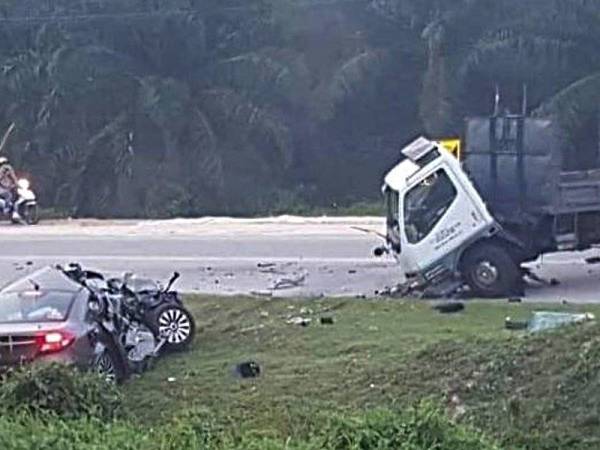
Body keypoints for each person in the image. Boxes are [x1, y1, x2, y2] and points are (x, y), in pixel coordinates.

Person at [0, 156, 21, 221]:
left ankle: (15, 212)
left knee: (17, 195)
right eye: (3, 164)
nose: (5, 165)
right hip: (2, 188)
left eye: (6, 163)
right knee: (8, 195)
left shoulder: (10, 170)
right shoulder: (1, 171)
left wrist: (18, 184)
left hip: (9, 187)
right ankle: (6, 207)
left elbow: (14, 177)